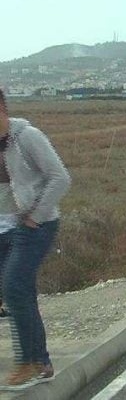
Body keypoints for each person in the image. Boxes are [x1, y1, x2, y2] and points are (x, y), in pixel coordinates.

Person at [0, 88, 70, 389]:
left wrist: (34, 216)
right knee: (18, 293)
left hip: (33, 225)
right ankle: (41, 363)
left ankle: (32, 362)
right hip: (3, 227)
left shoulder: (27, 136)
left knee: (14, 288)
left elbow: (60, 178)